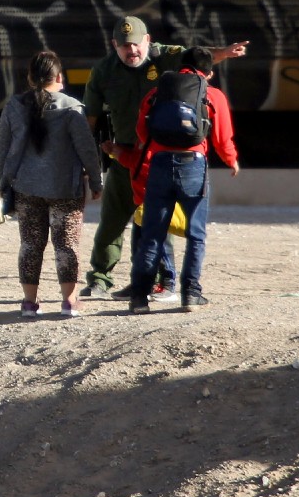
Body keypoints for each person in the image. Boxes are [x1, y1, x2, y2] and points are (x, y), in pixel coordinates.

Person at [80, 16, 248, 301]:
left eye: (135, 45)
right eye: (124, 47)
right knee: (113, 219)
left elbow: (198, 58)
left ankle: (157, 282)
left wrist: (224, 53)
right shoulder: (103, 71)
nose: (131, 51)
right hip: (124, 155)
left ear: (148, 41)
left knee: (157, 222)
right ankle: (100, 278)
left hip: (157, 158)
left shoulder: (166, 57)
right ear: (114, 46)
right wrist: (88, 156)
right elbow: (91, 118)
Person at [128, 47, 240, 314]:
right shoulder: (212, 94)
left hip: (160, 164)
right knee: (195, 234)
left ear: (181, 66)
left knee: (152, 234)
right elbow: (222, 137)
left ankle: (139, 299)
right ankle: (191, 294)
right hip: (193, 165)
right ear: (209, 72)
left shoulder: (157, 92)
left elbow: (142, 131)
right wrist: (231, 159)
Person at [0, 50, 103, 318]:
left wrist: (5, 179)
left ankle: (29, 303)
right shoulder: (71, 108)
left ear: (31, 78)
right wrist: (96, 179)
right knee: (66, 244)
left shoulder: (14, 106)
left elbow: (2, 147)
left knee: (30, 245)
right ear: (58, 77)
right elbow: (87, 150)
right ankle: (69, 301)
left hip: (26, 188)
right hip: (64, 188)